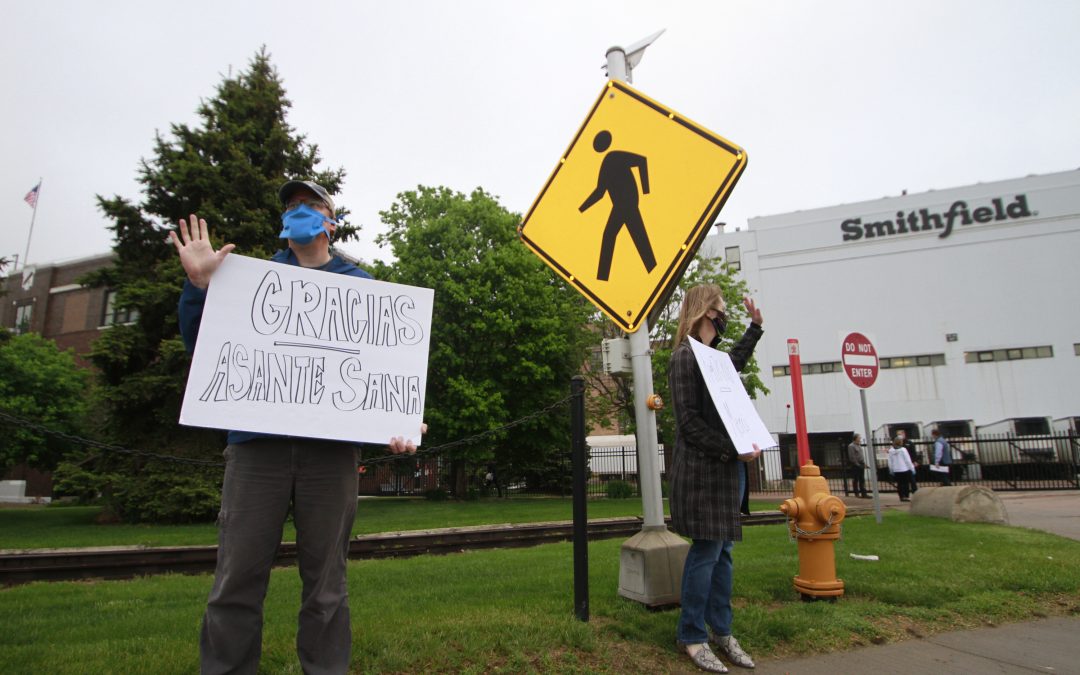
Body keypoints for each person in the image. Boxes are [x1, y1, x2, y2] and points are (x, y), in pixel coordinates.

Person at [170, 179, 421, 675]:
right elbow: (202, 346)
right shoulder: (249, 278)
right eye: (291, 206)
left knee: (327, 585)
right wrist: (199, 287)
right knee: (235, 579)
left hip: (329, 458)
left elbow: (384, 371)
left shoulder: (363, 287)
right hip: (255, 450)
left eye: (310, 205)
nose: (298, 212)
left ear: (331, 220)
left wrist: (398, 423)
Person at [668, 284, 763, 673]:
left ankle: (722, 631)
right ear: (706, 311)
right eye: (721, 309)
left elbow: (734, 362)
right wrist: (731, 449)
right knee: (707, 550)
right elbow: (688, 422)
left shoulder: (713, 357)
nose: (725, 314)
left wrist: (755, 328)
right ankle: (692, 635)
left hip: (728, 470)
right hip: (703, 472)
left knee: (723, 552)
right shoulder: (684, 358)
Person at [887, 436, 917, 502]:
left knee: (900, 484)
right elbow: (907, 460)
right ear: (900, 442)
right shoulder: (903, 450)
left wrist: (891, 470)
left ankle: (901, 496)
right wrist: (912, 468)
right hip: (904, 469)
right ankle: (906, 496)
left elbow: (890, 461)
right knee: (905, 483)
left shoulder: (891, 451)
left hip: (896, 470)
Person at [896, 428, 919, 494]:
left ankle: (915, 492)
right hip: (901, 465)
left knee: (912, 479)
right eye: (898, 435)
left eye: (900, 434)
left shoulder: (909, 443)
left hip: (909, 463)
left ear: (904, 434)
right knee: (903, 481)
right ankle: (905, 494)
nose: (899, 436)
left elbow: (913, 453)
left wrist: (915, 461)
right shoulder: (897, 444)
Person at [847, 434, 870, 498]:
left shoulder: (859, 445)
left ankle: (863, 493)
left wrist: (864, 464)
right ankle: (856, 493)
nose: (860, 438)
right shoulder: (851, 446)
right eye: (859, 437)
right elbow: (852, 456)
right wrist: (857, 464)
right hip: (855, 465)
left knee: (862, 479)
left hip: (861, 463)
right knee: (856, 479)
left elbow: (860, 455)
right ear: (855, 438)